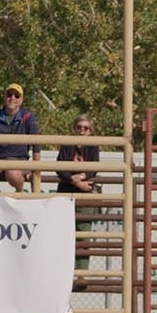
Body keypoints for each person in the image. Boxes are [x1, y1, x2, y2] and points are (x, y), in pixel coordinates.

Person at [57, 115, 101, 270]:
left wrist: (80, 178)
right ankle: (63, 271)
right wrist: (75, 181)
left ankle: (81, 272)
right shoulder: (66, 145)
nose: (82, 130)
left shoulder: (94, 146)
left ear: (90, 131)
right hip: (66, 193)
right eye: (79, 127)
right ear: (74, 129)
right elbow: (59, 168)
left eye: (86, 128)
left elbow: (94, 168)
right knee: (63, 233)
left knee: (83, 234)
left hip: (85, 194)